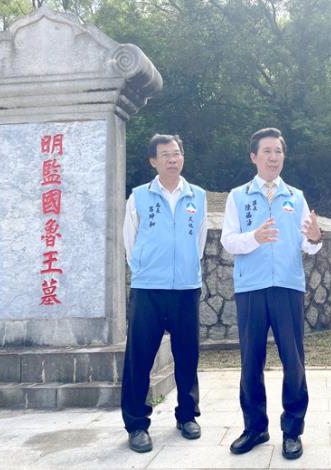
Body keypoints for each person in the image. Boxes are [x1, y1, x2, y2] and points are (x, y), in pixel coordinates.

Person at [221, 127, 322, 460]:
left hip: (288, 287)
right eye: (267, 151)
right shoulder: (238, 196)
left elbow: (308, 245)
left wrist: (316, 237)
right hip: (251, 287)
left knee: (293, 361)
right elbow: (228, 241)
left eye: (278, 151)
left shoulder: (296, 196)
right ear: (254, 156)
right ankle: (254, 427)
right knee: (251, 361)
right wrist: (255, 237)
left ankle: (292, 430)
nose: (274, 156)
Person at [121, 134, 207, 453]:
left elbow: (198, 241)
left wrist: (183, 269)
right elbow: (130, 242)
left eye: (177, 153)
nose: (172, 158)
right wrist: (147, 268)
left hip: (185, 288)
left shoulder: (196, 195)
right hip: (148, 289)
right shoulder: (139, 197)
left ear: (182, 158)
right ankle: (136, 424)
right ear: (153, 161)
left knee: (188, 356)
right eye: (165, 154)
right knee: (139, 359)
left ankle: (187, 416)